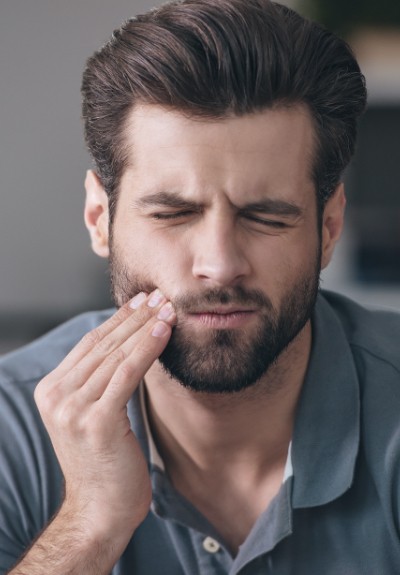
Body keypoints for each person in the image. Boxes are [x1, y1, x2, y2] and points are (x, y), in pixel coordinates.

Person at [2, 0, 400, 572]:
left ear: (329, 227)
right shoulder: (10, 426)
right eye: (172, 213)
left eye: (266, 217)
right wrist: (89, 526)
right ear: (100, 220)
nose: (219, 265)